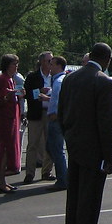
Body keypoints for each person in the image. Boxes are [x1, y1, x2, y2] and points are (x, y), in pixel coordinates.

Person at [59, 42, 112, 224]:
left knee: (73, 198)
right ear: (108, 60)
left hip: (74, 145)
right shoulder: (103, 82)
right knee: (89, 201)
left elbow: (62, 112)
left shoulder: (70, 79)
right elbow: (105, 124)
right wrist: (109, 158)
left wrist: (69, 137)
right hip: (94, 150)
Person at [23, 51, 55, 184]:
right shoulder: (33, 76)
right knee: (33, 144)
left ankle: (46, 172)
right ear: (42, 62)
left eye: (52, 61)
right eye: (48, 61)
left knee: (50, 143)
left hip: (50, 113)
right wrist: (39, 92)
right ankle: (29, 173)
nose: (50, 64)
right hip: (36, 113)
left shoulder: (55, 77)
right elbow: (26, 93)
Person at [0, 54, 23, 193]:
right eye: (13, 64)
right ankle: (0, 181)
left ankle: (3, 180)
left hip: (12, 117)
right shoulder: (3, 80)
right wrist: (7, 97)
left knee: (9, 147)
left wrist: (19, 95)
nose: (16, 66)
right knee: (4, 148)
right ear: (7, 65)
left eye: (17, 64)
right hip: (5, 119)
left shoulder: (10, 79)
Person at [44, 55, 69, 190]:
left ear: (59, 66)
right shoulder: (58, 81)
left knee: (56, 149)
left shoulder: (59, 81)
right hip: (56, 119)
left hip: (56, 120)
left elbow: (61, 101)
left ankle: (63, 180)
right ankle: (64, 175)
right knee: (51, 148)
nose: (50, 67)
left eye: (52, 64)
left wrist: (56, 115)